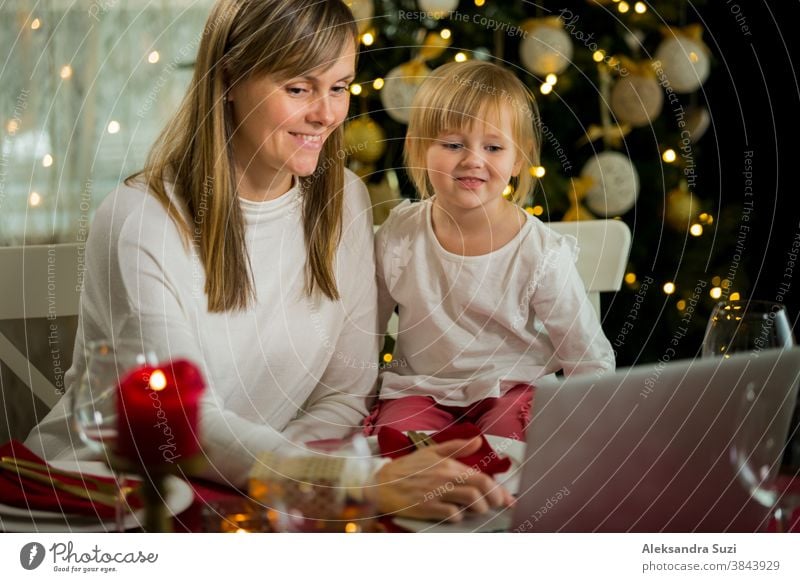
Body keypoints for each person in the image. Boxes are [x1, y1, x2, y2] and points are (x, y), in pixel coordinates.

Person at [25, 0, 511, 522]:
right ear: (230, 78)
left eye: (340, 86)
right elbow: (180, 424)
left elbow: (345, 393)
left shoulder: (343, 199)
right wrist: (342, 482)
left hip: (244, 491)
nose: (325, 113)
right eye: (299, 88)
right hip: (105, 501)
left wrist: (293, 479)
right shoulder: (142, 218)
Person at [364, 60, 615, 440]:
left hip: (510, 390)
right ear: (418, 150)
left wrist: (594, 432)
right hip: (418, 390)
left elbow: (587, 354)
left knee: (515, 445)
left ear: (518, 160)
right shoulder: (401, 233)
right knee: (397, 447)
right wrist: (350, 400)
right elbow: (367, 329)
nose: (473, 160)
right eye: (452, 144)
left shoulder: (540, 252)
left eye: (493, 146)